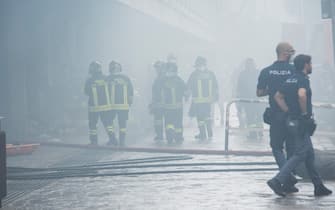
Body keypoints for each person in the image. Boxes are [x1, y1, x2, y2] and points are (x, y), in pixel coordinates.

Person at [267, 54, 332, 197]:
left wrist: (288, 111)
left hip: (291, 121)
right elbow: (302, 95)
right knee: (300, 154)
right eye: (310, 63)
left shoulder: (290, 79)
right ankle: (278, 180)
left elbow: (278, 96)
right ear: (305, 65)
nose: (311, 66)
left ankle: (318, 186)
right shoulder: (302, 80)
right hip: (300, 122)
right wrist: (304, 115)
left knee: (309, 155)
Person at [256, 42, 298, 192]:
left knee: (276, 147)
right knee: (292, 148)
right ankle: (288, 180)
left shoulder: (267, 71)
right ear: (285, 53)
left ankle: (286, 177)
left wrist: (272, 90)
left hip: (276, 115)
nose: (292, 55)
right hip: (293, 115)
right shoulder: (294, 70)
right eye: (291, 52)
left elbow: (259, 92)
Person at [187, 56, 219, 142]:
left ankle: (203, 134)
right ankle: (209, 132)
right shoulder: (211, 74)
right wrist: (216, 96)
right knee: (207, 116)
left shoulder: (194, 74)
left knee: (200, 118)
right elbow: (215, 86)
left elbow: (189, 86)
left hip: (198, 101)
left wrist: (187, 96)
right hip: (208, 101)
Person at [84, 61, 114, 145]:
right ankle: (113, 139)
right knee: (108, 124)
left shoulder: (89, 80)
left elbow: (86, 92)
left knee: (93, 125)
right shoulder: (106, 78)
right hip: (106, 106)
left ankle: (94, 142)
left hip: (94, 107)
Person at [158, 62, 187, 145]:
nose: (170, 72)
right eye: (169, 70)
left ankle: (175, 137)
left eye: (172, 70)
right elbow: (157, 91)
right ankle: (173, 137)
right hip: (171, 107)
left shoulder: (164, 80)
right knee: (172, 123)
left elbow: (185, 89)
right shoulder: (164, 80)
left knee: (174, 123)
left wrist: (186, 94)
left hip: (173, 107)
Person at [107, 61, 134, 146]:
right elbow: (131, 90)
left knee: (109, 122)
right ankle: (122, 141)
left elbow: (104, 91)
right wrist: (130, 102)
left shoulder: (108, 78)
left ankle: (112, 139)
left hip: (111, 106)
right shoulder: (126, 78)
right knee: (122, 124)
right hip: (124, 106)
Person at [236, 58, 263, 139]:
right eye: (248, 64)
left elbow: (262, 84)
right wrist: (239, 99)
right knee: (250, 117)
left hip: (257, 99)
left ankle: (259, 131)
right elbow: (239, 87)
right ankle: (253, 133)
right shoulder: (243, 74)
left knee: (258, 117)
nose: (250, 66)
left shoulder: (257, 73)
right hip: (247, 99)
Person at [150, 61, 166, 142]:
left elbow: (160, 91)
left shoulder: (162, 77)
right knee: (158, 120)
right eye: (156, 68)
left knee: (162, 120)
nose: (156, 69)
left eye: (158, 68)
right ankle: (159, 135)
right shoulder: (158, 77)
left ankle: (161, 135)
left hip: (162, 103)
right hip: (158, 103)